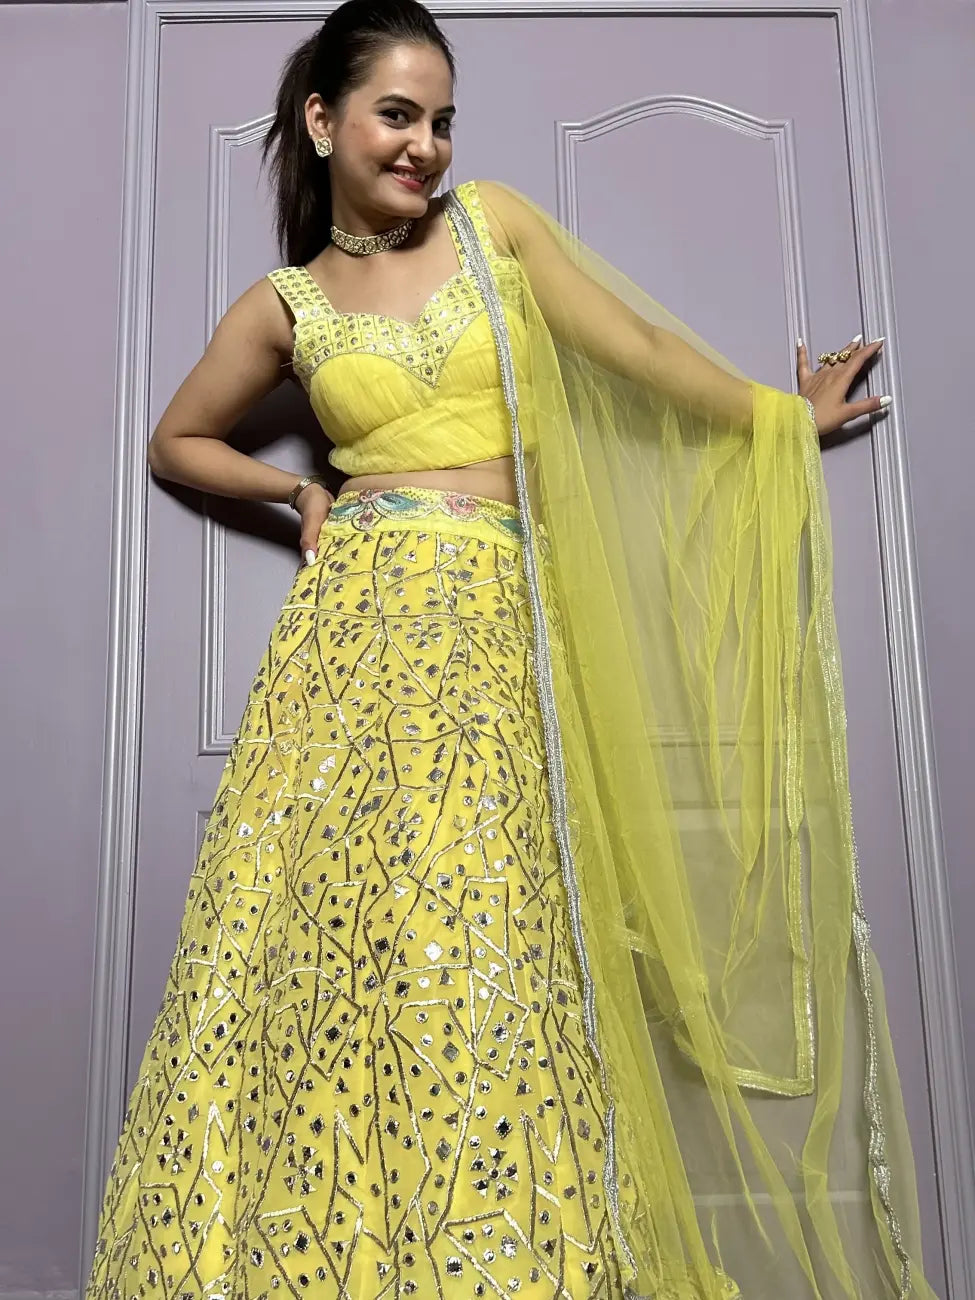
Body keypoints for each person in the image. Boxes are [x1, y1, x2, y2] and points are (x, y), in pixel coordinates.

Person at [83, 2, 940, 1298]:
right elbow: (177, 442)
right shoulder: (291, 303)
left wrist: (783, 420)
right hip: (354, 637)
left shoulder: (493, 227)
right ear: (322, 121)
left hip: (491, 620)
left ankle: (502, 1255)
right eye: (394, 115)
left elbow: (641, 355)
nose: (423, 146)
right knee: (334, 942)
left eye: (439, 120)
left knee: (489, 934)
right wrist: (299, 497)